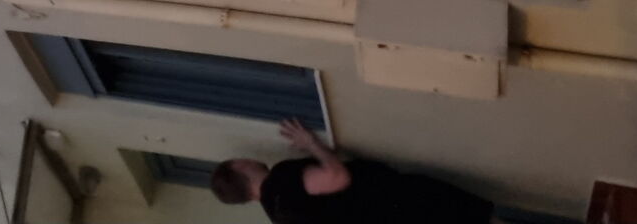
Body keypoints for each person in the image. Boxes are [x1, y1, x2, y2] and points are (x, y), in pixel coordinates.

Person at [210, 118, 495, 223]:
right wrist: (311, 143)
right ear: (238, 166)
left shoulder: (278, 216)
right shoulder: (281, 180)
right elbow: (336, 177)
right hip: (402, 205)